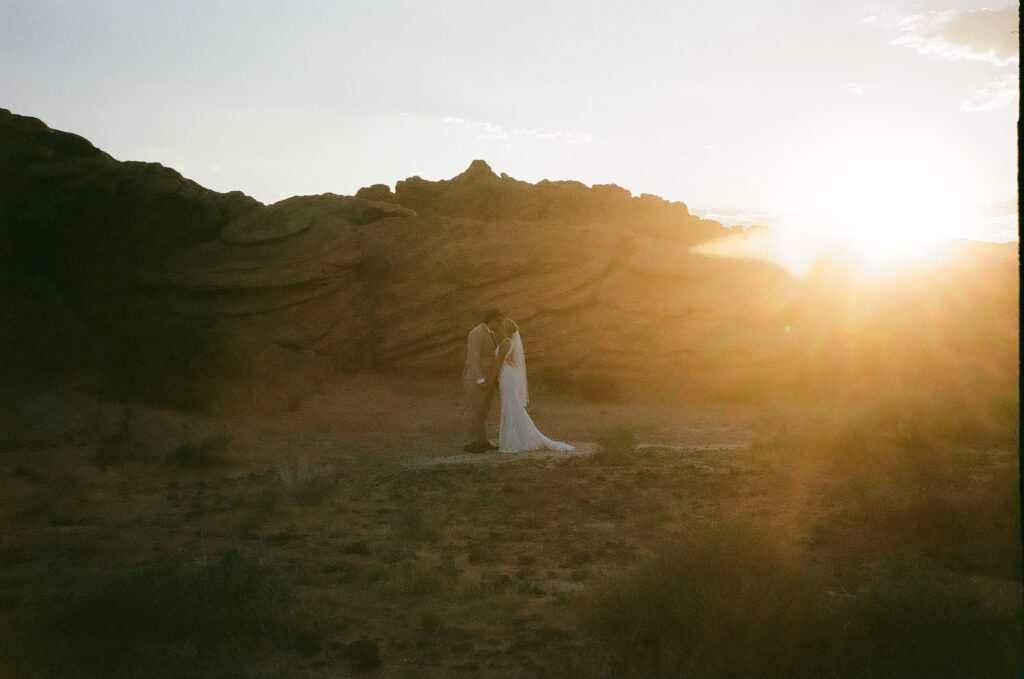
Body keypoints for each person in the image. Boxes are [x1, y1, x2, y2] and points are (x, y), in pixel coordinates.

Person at [494, 318, 575, 454]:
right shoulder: (513, 343)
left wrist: (493, 377)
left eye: (502, 327)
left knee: (510, 405)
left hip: (506, 376)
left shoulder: (506, 343)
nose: (500, 328)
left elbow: (499, 362)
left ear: (505, 329)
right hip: (511, 375)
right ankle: (517, 437)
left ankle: (513, 440)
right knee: (512, 404)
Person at [462, 308, 503, 453]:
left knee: (483, 412)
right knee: (473, 411)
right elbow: (474, 358)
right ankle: (470, 442)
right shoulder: (477, 333)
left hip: (487, 380)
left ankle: (482, 441)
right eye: (499, 322)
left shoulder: (490, 334)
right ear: (492, 320)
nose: (500, 325)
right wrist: (480, 380)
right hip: (476, 380)